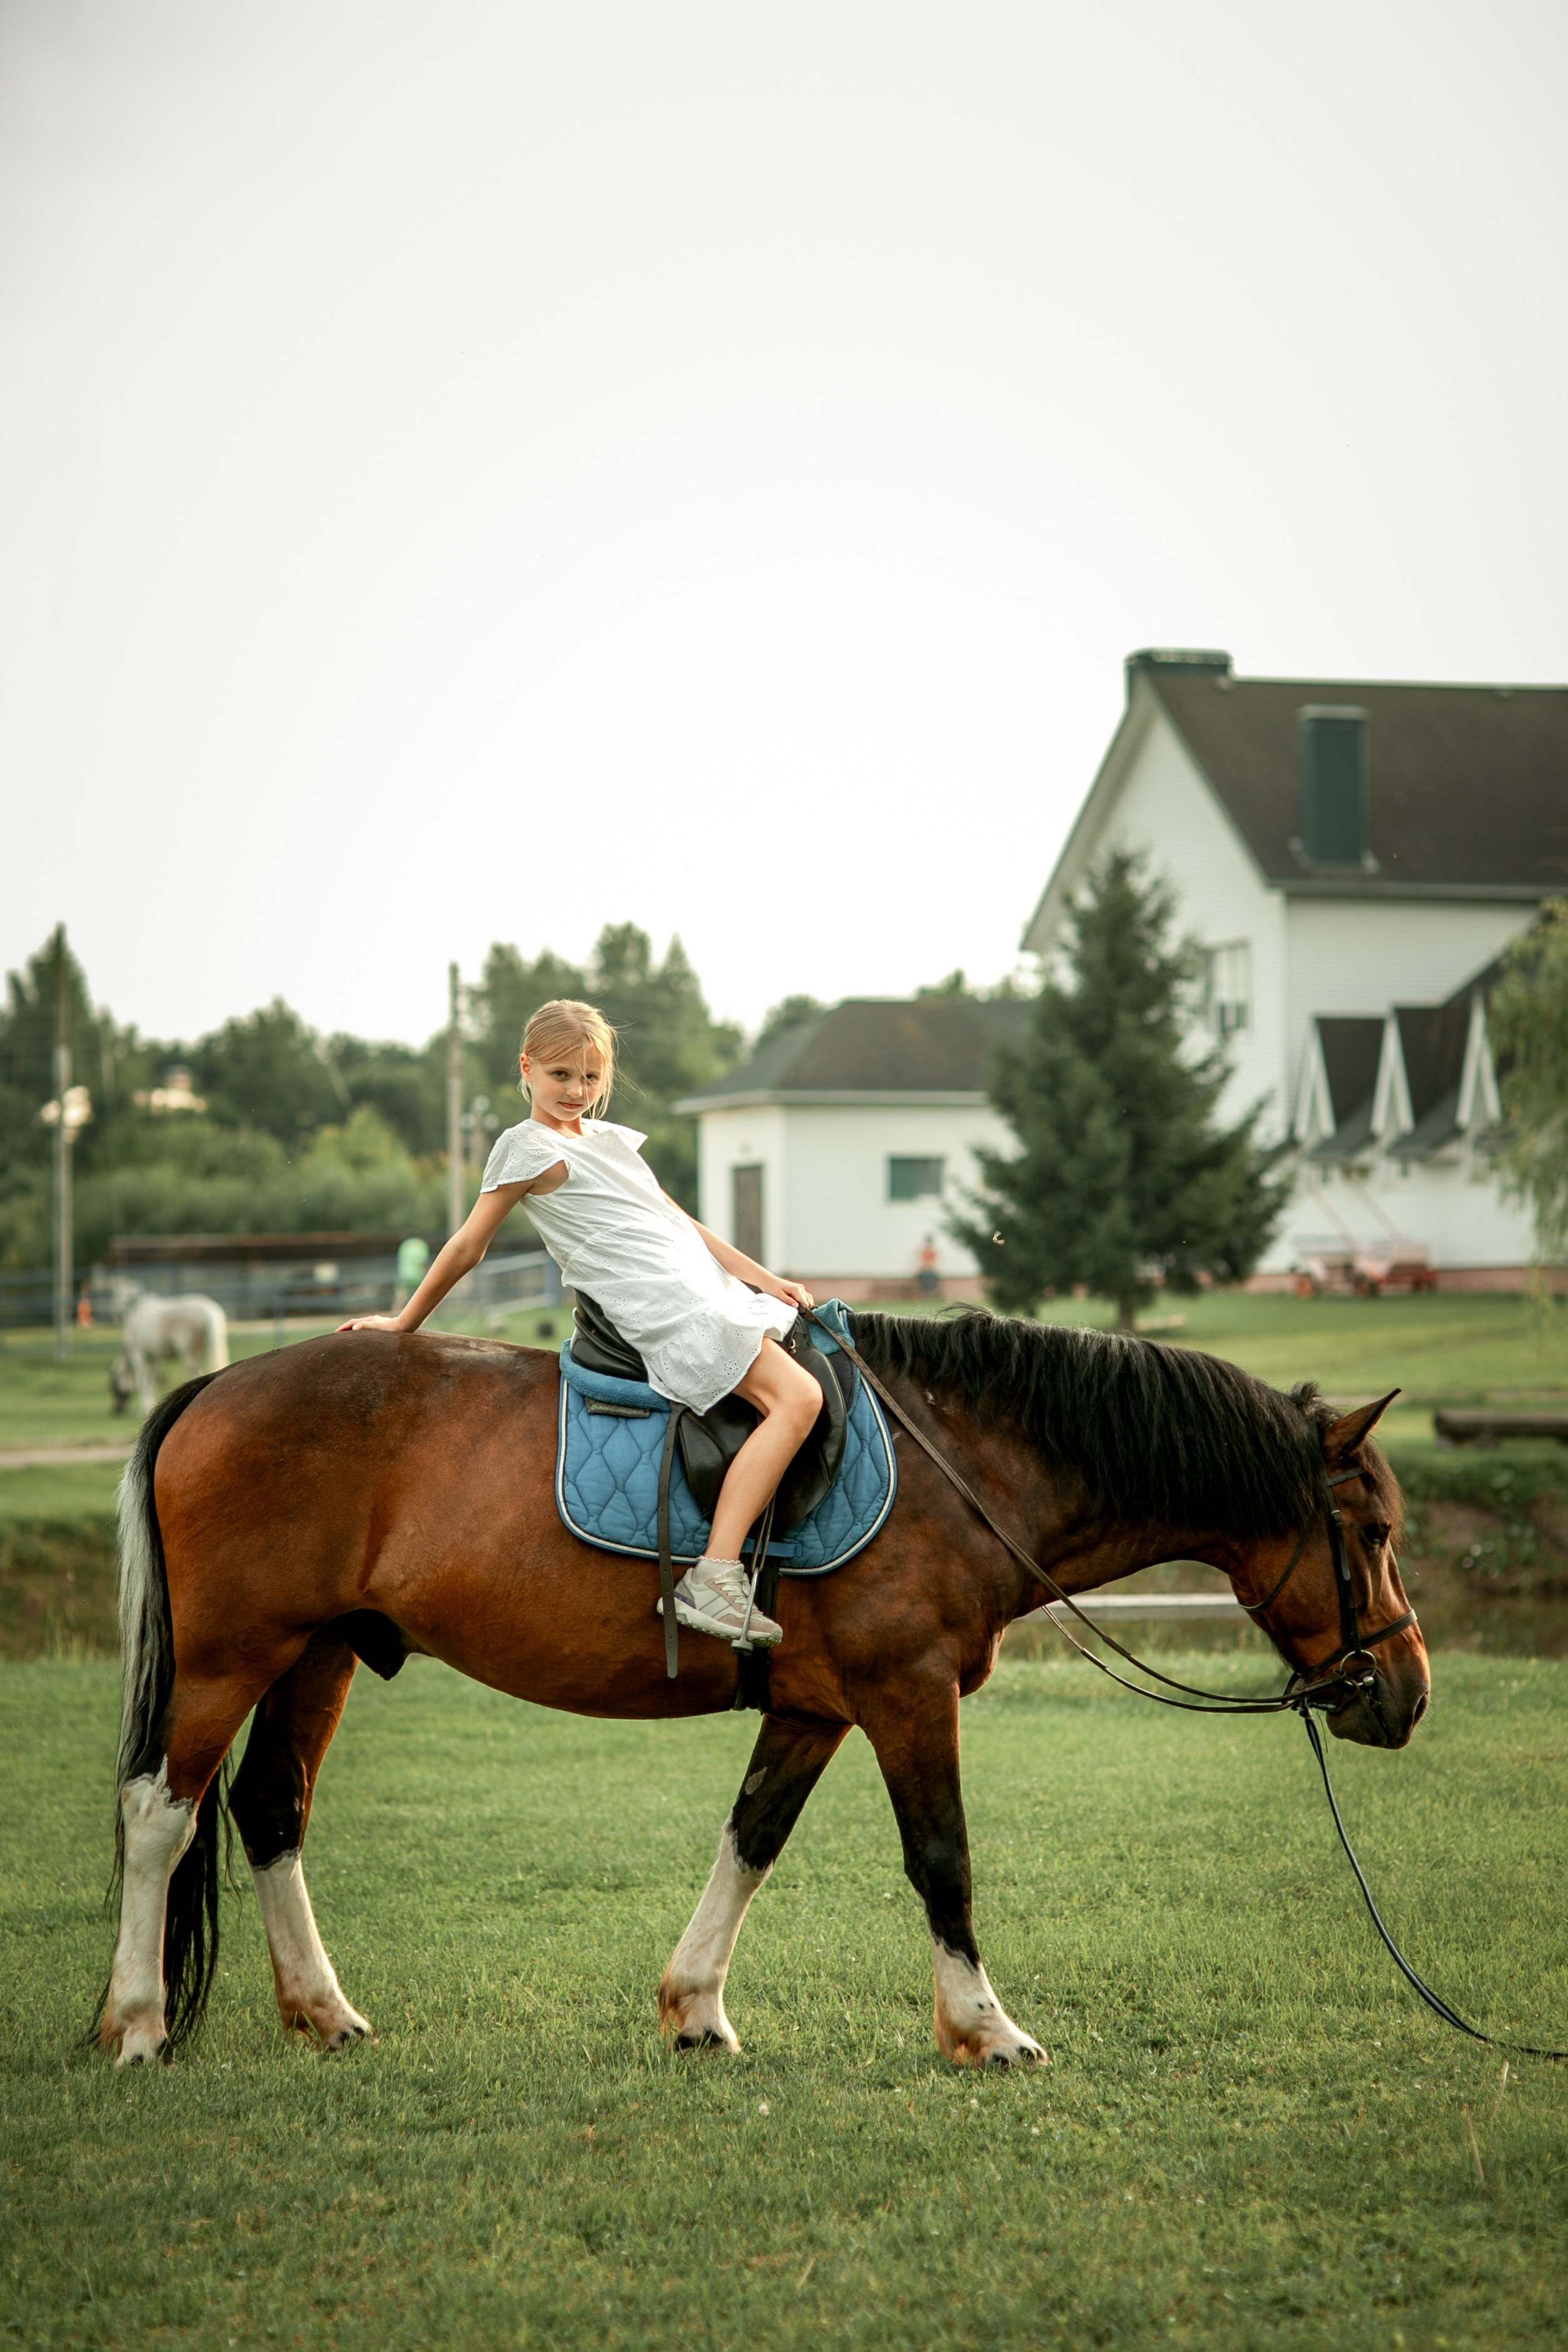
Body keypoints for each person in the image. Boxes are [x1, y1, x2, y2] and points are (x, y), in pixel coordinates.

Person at [339, 1000, 821, 1651]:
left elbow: (681, 1222)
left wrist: (762, 1278)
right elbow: (466, 1246)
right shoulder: (525, 1146)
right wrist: (404, 1322)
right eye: (561, 1074)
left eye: (591, 1078)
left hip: (703, 1287)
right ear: (527, 1068)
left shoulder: (607, 1140)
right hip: (663, 1307)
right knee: (798, 1398)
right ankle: (714, 1572)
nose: (577, 1091)